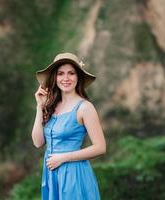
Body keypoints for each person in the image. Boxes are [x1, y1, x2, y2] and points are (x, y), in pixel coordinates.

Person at [31, 52, 106, 200]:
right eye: (61, 74)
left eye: (71, 73)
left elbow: (100, 147)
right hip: (51, 175)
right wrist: (40, 107)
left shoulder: (85, 107)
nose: (65, 78)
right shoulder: (51, 106)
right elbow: (38, 142)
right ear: (55, 77)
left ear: (78, 77)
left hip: (74, 175)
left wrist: (64, 158)